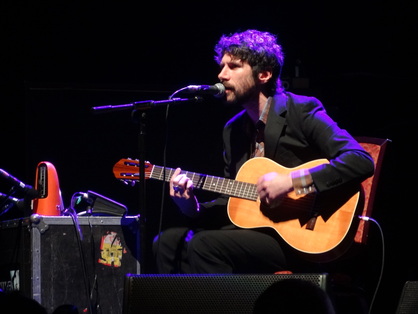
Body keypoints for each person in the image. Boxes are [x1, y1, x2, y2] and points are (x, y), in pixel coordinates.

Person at [152, 29, 375, 274]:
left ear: (264, 75)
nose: (221, 75)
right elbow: (232, 202)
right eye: (221, 66)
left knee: (204, 246)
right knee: (166, 243)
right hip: (256, 234)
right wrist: (192, 208)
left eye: (233, 66)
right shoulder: (233, 130)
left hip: (302, 235)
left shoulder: (300, 110)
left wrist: (292, 181)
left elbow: (360, 160)